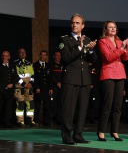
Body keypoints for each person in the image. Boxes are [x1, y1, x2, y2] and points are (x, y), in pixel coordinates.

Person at [58, 13, 97, 145]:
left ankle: (78, 134)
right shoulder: (64, 40)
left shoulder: (87, 40)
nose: (74, 25)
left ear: (83, 26)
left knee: (82, 109)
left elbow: (94, 60)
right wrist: (80, 47)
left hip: (84, 79)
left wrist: (91, 51)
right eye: (73, 22)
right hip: (70, 79)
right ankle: (67, 136)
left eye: (77, 23)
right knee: (68, 109)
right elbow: (66, 58)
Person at [97, 20, 128, 142]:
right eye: (110, 27)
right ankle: (101, 131)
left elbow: (125, 57)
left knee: (118, 105)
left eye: (114, 27)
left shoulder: (119, 41)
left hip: (120, 73)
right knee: (107, 104)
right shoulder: (102, 41)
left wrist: (126, 48)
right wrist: (122, 48)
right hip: (108, 73)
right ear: (105, 29)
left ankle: (115, 131)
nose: (113, 29)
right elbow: (108, 58)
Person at [14, 48, 35, 127]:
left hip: (29, 87)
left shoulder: (29, 63)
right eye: (21, 53)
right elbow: (15, 77)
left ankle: (30, 120)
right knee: (20, 104)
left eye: (24, 52)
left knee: (31, 104)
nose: (22, 54)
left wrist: (31, 83)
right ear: (18, 54)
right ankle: (20, 121)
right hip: (20, 88)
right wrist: (23, 84)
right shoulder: (15, 63)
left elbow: (32, 75)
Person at [33, 50, 53, 126]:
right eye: (41, 55)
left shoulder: (48, 66)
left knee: (47, 106)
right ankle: (37, 121)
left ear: (46, 56)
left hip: (46, 89)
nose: (42, 56)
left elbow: (51, 78)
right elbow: (33, 78)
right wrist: (36, 87)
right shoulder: (35, 65)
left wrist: (51, 88)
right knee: (37, 106)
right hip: (39, 89)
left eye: (44, 55)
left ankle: (46, 121)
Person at [0, 51, 18, 128]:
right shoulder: (0, 66)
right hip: (1, 90)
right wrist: (3, 65)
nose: (4, 57)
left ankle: (8, 123)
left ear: (9, 57)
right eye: (3, 56)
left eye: (6, 56)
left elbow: (16, 76)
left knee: (9, 107)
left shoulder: (12, 66)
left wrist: (12, 84)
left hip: (10, 90)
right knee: (1, 107)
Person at [50, 51, 62, 125]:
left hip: (62, 87)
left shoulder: (63, 65)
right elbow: (51, 76)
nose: (58, 57)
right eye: (57, 55)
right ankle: (52, 118)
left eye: (59, 55)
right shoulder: (51, 65)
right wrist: (57, 82)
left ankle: (59, 119)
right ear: (54, 56)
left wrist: (61, 82)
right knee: (53, 103)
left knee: (61, 103)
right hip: (54, 87)